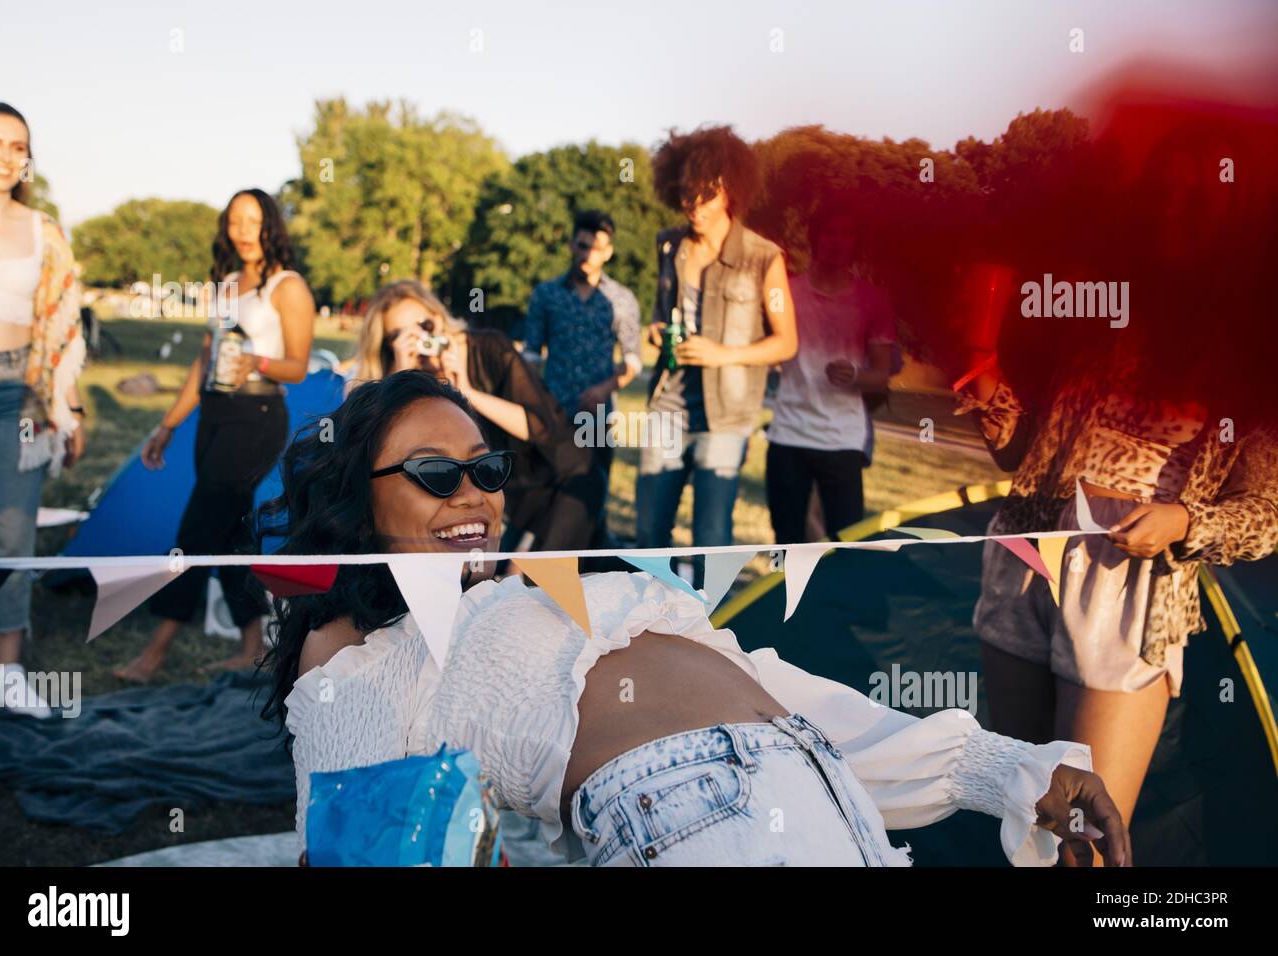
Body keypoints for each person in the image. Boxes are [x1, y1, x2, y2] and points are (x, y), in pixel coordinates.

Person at [258, 369, 1130, 867]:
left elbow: (784, 694)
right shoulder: (363, 651)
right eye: (433, 474)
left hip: (828, 800)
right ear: (356, 503)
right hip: (686, 815)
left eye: (485, 469)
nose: (476, 496)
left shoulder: (533, 593)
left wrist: (1002, 770)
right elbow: (336, 840)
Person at [953, 126, 1278, 863]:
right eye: (1162, 198)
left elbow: (1269, 513)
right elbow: (1026, 454)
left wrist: (1186, 520)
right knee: (1026, 819)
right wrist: (991, 398)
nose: (1172, 214)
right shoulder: (1102, 313)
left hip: (1136, 595)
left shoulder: (1252, 349)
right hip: (1025, 559)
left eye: (1194, 199)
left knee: (1085, 842)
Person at [112, 189, 316, 682]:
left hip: (260, 413)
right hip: (215, 413)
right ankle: (252, 647)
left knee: (197, 528)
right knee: (228, 531)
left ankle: (156, 651)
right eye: (234, 221)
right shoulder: (225, 286)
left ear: (271, 226)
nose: (243, 230)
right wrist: (167, 425)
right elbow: (202, 363)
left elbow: (300, 366)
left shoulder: (287, 287)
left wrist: (257, 361)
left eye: (254, 220)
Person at [350, 279, 603, 553]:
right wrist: (401, 375)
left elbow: (542, 428)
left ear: (438, 317)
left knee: (540, 581)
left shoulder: (487, 347)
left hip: (566, 473)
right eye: (398, 335)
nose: (418, 340)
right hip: (511, 490)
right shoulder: (409, 383)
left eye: (423, 326)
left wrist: (467, 392)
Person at [637, 126, 797, 551]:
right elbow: (663, 309)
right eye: (687, 193)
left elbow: (786, 342)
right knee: (649, 531)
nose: (694, 205)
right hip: (668, 403)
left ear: (730, 190)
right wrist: (657, 331)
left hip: (726, 415)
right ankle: (651, 618)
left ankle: (709, 618)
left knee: (710, 537)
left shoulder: (765, 258)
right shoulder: (668, 247)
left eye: (706, 194)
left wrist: (721, 353)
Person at [0, 102, 87, 717]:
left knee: (11, 531)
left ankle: (5, 673)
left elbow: (63, 326)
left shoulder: (42, 231)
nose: (5, 156)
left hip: (16, 393)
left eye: (17, 146)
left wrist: (68, 410)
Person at [766, 203, 901, 542]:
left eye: (847, 234)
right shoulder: (787, 293)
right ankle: (791, 597)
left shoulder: (872, 300)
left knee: (846, 544)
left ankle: (838, 598)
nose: (838, 242)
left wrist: (856, 374)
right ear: (815, 238)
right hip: (789, 435)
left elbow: (881, 375)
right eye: (830, 233)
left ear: (856, 243)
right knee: (786, 544)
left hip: (842, 440)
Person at [522, 209, 641, 504]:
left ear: (608, 252)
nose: (588, 254)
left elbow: (633, 360)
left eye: (597, 248)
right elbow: (531, 356)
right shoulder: (546, 294)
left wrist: (603, 390)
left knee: (590, 499)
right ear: (572, 245)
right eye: (583, 245)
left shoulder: (621, 299)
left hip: (597, 419)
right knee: (547, 497)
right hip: (553, 413)